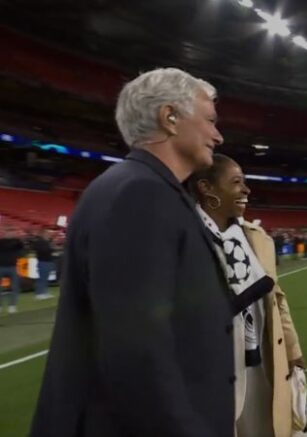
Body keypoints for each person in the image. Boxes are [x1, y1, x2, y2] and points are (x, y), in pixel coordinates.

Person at [30, 67, 233, 437]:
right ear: (170, 117)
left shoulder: (139, 187)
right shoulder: (142, 195)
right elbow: (138, 352)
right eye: (209, 120)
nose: (217, 135)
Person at [188, 153, 307, 437]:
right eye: (236, 182)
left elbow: (276, 300)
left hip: (260, 363)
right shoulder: (186, 238)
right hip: (214, 369)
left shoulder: (258, 239)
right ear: (206, 188)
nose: (246, 190)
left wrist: (293, 351)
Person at [0, 227, 24, 314]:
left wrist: (19, 240)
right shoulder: (1, 242)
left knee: (15, 287)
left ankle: (12, 306)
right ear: (5, 233)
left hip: (13, 267)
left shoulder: (17, 242)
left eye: (12, 232)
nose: (10, 234)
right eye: (9, 232)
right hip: (1, 266)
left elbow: (21, 248)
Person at [30, 228, 55, 300]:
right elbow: (44, 251)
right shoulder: (39, 242)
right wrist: (51, 248)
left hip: (48, 261)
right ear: (42, 234)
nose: (49, 235)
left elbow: (48, 250)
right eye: (47, 234)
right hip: (43, 262)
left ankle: (45, 292)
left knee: (46, 278)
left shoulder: (46, 242)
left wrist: (51, 248)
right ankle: (39, 294)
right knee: (42, 279)